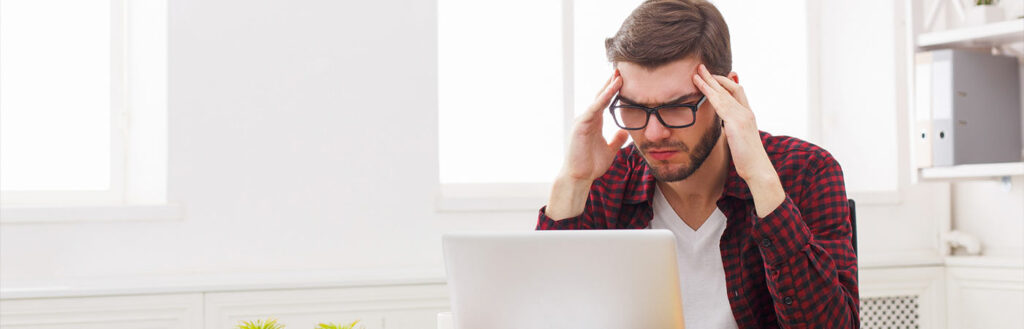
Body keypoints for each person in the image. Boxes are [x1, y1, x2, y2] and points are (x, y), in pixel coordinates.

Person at [535, 1, 859, 328]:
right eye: (634, 108)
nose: (654, 133)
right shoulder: (605, 180)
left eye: (677, 107)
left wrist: (762, 181)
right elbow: (544, 316)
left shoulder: (806, 171)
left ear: (725, 95)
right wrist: (573, 180)